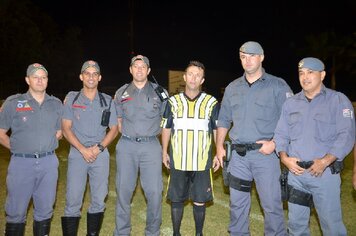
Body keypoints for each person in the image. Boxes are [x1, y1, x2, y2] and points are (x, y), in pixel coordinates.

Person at [216, 41, 292, 235]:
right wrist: (218, 148)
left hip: (265, 156)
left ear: (262, 57)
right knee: (237, 206)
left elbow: (291, 119)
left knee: (272, 206)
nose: (247, 60)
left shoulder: (277, 85)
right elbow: (223, 120)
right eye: (243, 57)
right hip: (238, 157)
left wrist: (275, 144)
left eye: (251, 56)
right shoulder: (232, 87)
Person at [274, 57, 355, 235]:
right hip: (296, 175)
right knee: (296, 226)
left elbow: (346, 135)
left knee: (331, 225)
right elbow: (281, 134)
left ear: (322, 75)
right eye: (301, 73)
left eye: (310, 72)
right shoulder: (291, 103)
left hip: (323, 175)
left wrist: (325, 161)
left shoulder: (337, 100)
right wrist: (284, 158)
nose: (305, 77)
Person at [0, 63, 63, 235]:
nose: (40, 80)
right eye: (36, 77)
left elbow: (59, 132)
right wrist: (18, 148)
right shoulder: (14, 102)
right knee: (16, 211)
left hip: (48, 163)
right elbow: (0, 132)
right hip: (22, 163)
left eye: (43, 77)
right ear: (27, 80)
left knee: (45, 209)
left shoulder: (56, 104)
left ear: (47, 80)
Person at [161, 61, 220, 236]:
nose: (194, 78)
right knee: (177, 199)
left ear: (202, 80)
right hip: (178, 159)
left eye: (198, 75)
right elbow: (166, 128)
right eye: (191, 74)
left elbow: (216, 129)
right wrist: (164, 151)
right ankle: (176, 233)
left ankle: (198, 233)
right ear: (185, 77)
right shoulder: (173, 101)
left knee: (200, 200)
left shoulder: (211, 102)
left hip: (202, 161)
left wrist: (218, 152)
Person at [61, 60, 118, 235]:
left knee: (99, 199)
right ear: (81, 76)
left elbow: (114, 129)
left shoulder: (108, 101)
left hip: (100, 155)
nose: (91, 77)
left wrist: (99, 148)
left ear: (99, 77)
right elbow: (65, 128)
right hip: (78, 153)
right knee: (73, 200)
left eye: (95, 74)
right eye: (87, 73)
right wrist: (83, 149)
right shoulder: (72, 98)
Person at [113, 55, 167, 236]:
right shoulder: (121, 93)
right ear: (130, 70)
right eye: (135, 66)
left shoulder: (160, 92)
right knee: (123, 191)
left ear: (148, 70)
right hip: (127, 146)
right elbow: (118, 121)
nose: (139, 69)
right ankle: (122, 232)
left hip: (151, 146)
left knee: (154, 192)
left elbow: (166, 122)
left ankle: (152, 232)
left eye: (143, 66)